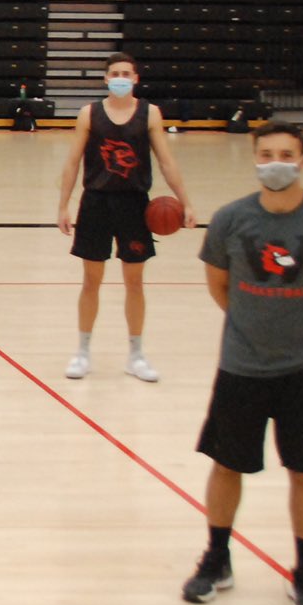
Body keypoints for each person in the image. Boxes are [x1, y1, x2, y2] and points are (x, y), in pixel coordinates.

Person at [181, 124, 303, 605]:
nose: (276, 162)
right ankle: (217, 557)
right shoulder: (231, 220)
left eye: (286, 154)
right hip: (242, 367)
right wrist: (255, 326)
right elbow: (220, 287)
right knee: (226, 465)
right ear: (255, 159)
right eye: (267, 154)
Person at [55, 53, 196, 381]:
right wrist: (63, 205)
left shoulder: (150, 114)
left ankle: (136, 355)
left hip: (135, 204)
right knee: (91, 281)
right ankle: (82, 352)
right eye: (114, 73)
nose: (119, 78)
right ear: (106, 79)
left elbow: (166, 161)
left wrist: (186, 202)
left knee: (135, 282)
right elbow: (72, 162)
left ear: (135, 78)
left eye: (125, 73)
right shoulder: (89, 113)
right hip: (96, 203)